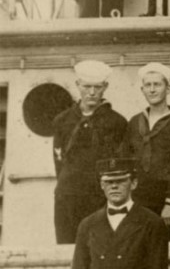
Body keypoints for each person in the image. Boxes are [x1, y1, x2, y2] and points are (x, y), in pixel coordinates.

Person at [53, 60, 128, 244]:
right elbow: (58, 160)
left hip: (99, 198)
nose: (92, 92)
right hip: (67, 197)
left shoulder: (117, 122)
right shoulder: (63, 120)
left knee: (100, 249)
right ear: (78, 85)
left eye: (97, 87)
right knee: (68, 249)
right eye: (87, 86)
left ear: (105, 87)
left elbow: (120, 164)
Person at [121, 62, 170, 229]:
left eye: (157, 84)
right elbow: (125, 160)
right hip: (137, 198)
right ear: (142, 90)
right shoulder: (134, 122)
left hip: (166, 201)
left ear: (168, 89)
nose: (152, 89)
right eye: (148, 85)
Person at [71, 158, 167, 269]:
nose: (114, 186)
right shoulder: (87, 225)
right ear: (102, 185)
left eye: (120, 181)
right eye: (108, 182)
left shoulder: (152, 223)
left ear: (133, 184)